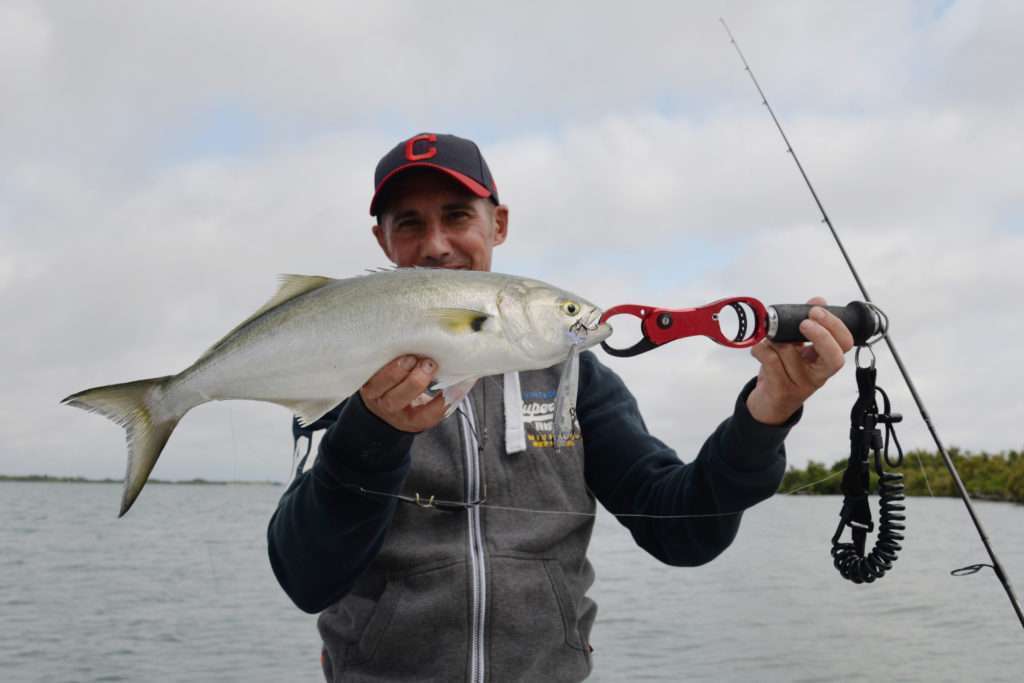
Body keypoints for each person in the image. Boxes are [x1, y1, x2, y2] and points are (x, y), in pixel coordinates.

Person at [267, 133, 854, 682]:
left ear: (498, 224)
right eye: (409, 223)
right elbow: (306, 576)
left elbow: (683, 531)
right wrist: (373, 434)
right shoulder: (343, 379)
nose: (436, 244)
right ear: (382, 241)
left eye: (457, 216)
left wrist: (766, 415)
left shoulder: (577, 377)